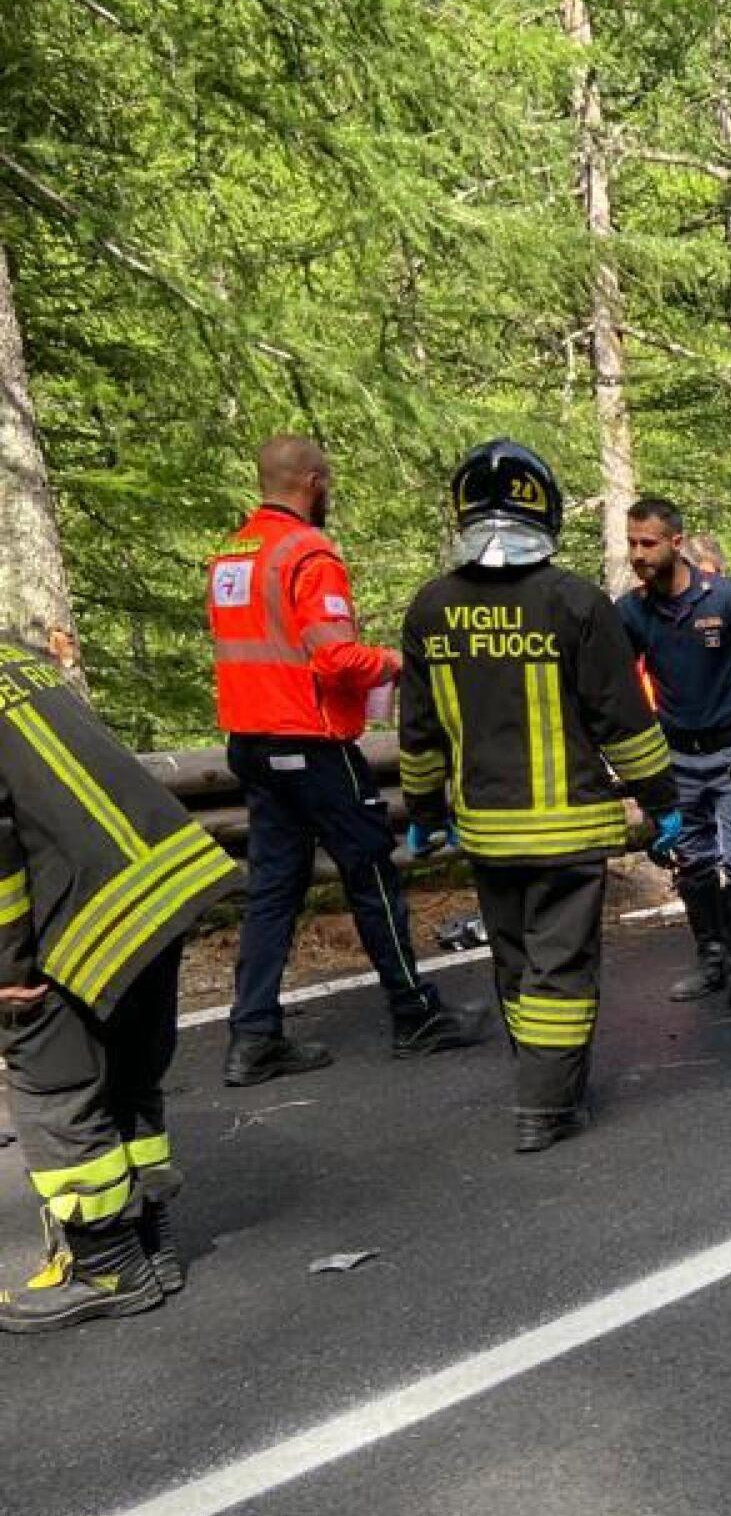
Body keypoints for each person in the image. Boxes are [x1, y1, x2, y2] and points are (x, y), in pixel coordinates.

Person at [398, 441, 681, 1153]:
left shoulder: (431, 608)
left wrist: (424, 813)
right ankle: (546, 1106)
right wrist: (663, 802)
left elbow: (419, 729)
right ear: (544, 509)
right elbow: (624, 719)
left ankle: (543, 1082)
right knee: (562, 967)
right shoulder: (576, 602)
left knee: (516, 959)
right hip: (567, 835)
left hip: (487, 835)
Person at [206, 434, 486, 1084]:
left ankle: (253, 1037)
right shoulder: (307, 552)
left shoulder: (233, 554)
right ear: (311, 481)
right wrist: (396, 661)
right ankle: (414, 1013)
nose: (328, 491)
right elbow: (334, 657)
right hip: (312, 744)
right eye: (326, 480)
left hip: (251, 744)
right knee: (371, 872)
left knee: (274, 887)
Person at [0, 639, 240, 1330]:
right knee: (129, 1071)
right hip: (163, 881)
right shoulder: (16, 660)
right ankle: (148, 1239)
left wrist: (9, 971)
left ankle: (108, 1266)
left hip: (84, 908)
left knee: (54, 1086)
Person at [619, 497, 731, 1014]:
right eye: (631, 543)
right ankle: (710, 958)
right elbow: (618, 687)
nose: (637, 554)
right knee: (693, 861)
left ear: (675, 543)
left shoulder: (727, 598)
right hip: (676, 758)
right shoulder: (630, 611)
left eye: (648, 543)